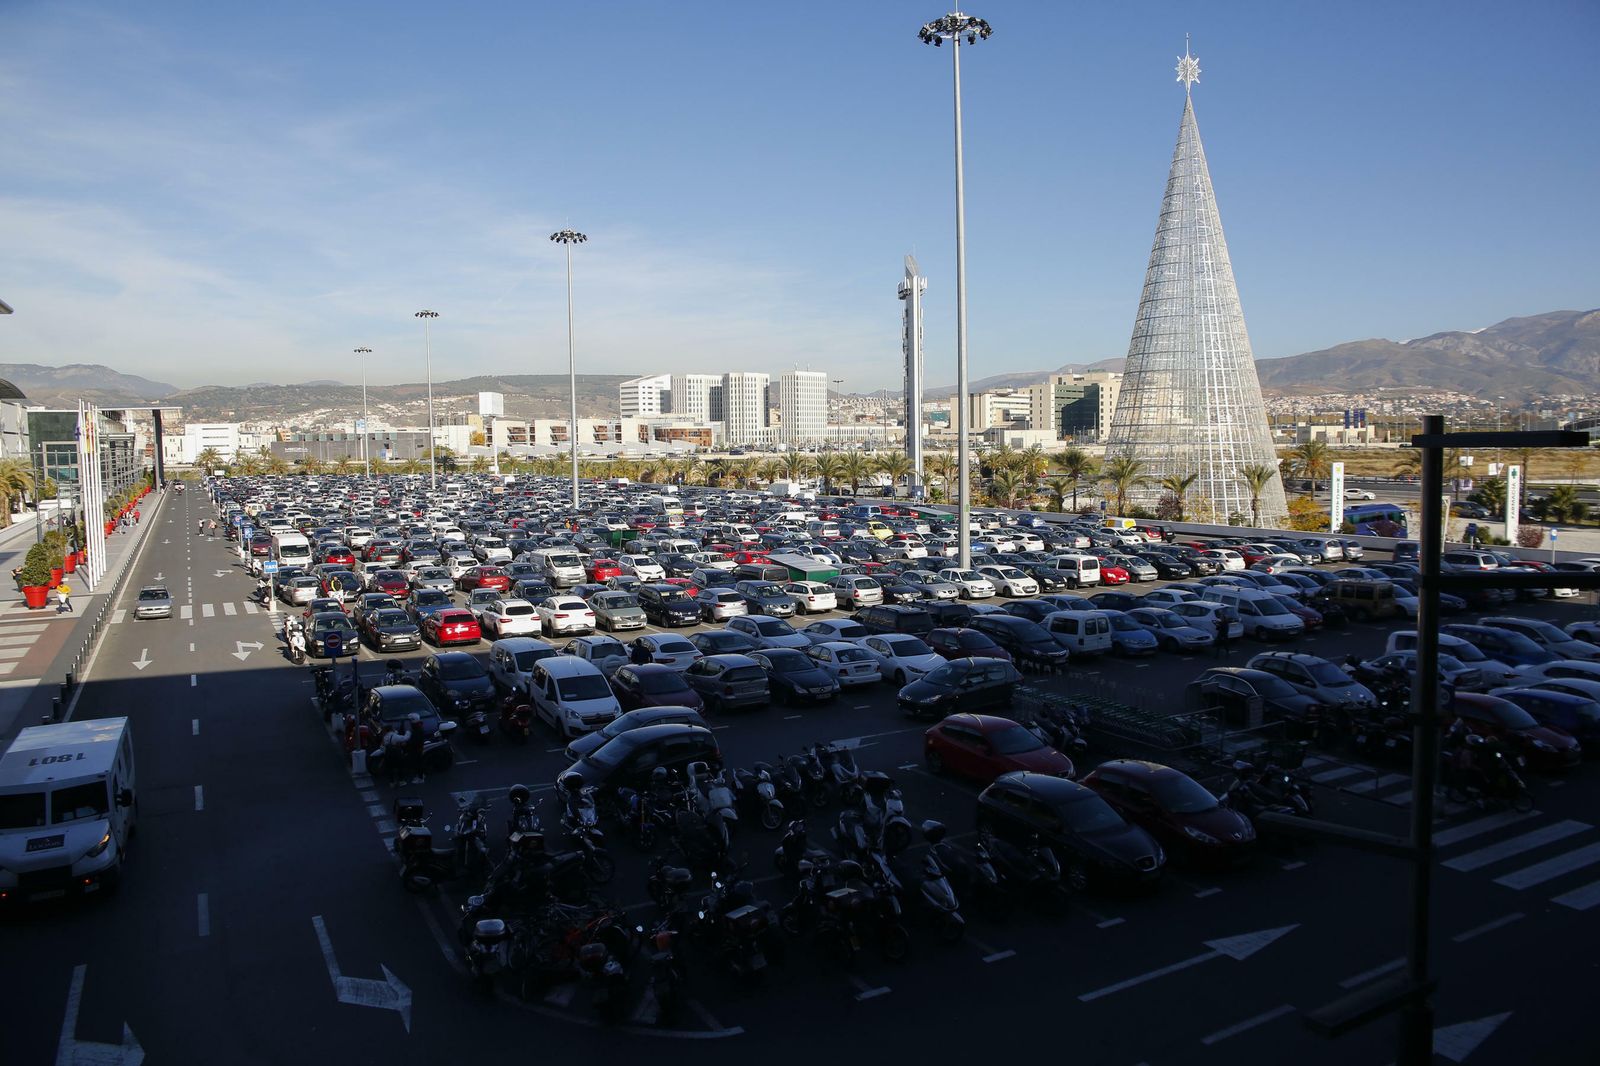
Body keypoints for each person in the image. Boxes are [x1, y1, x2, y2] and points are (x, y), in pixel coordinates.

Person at [404, 711, 427, 785]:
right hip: (418, 748)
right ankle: (421, 775)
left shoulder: (417, 730)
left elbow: (415, 741)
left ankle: (420, 778)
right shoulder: (418, 727)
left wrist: (407, 743)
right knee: (419, 762)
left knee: (417, 763)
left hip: (416, 749)